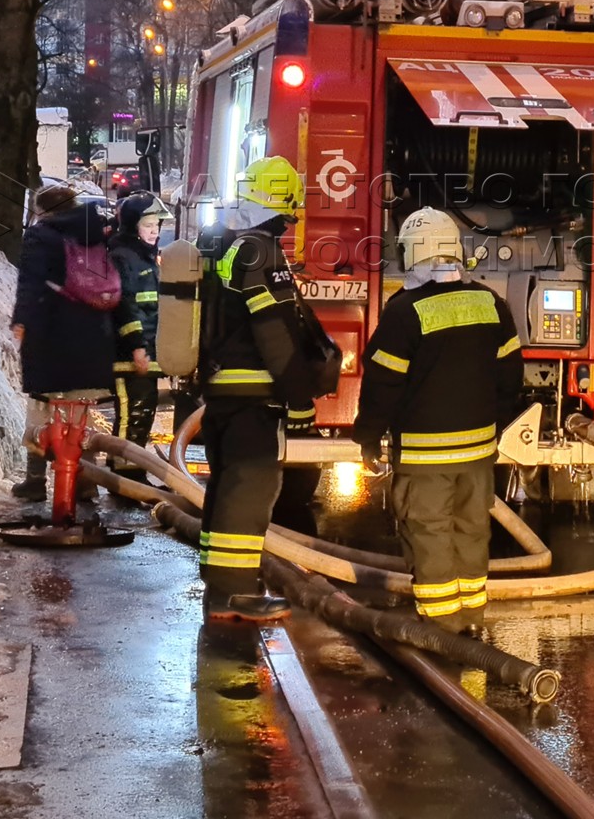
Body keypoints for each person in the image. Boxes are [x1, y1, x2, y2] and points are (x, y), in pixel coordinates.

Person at [353, 207, 522, 636]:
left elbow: (382, 387)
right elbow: (510, 378)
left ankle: (441, 628)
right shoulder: (491, 303)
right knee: (471, 530)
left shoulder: (403, 313)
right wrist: (493, 427)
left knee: (429, 534)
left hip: (426, 456)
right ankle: (470, 622)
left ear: (413, 253)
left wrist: (368, 438)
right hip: (479, 454)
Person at [197, 155, 325, 623]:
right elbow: (274, 331)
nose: (289, 227)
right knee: (250, 486)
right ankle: (234, 594)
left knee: (226, 485)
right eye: (289, 217)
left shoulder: (220, 242)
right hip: (253, 391)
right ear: (281, 207)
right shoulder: (261, 252)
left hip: (221, 390)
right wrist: (299, 399)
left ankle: (220, 586)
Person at [9, 185, 116, 501]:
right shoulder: (95, 232)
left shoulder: (41, 236)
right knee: (80, 413)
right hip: (93, 337)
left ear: (42, 210)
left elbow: (30, 283)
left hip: (51, 337)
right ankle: (84, 482)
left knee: (42, 410)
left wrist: (22, 320)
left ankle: (34, 480)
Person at [108, 191, 167, 467]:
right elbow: (125, 306)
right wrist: (137, 347)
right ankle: (124, 472)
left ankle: (127, 468)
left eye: (157, 225)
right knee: (132, 412)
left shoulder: (143, 257)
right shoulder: (123, 256)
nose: (154, 230)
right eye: (148, 225)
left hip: (144, 350)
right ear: (133, 226)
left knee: (143, 411)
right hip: (129, 354)